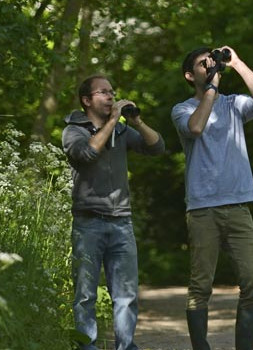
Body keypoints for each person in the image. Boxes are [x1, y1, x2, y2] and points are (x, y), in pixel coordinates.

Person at [171, 46, 253, 350]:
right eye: (204, 65)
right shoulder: (182, 108)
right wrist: (212, 89)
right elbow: (196, 127)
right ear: (190, 76)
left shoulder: (234, 105)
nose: (212, 67)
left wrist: (237, 62)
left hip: (238, 206)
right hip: (202, 208)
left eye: (213, 62)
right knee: (201, 286)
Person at [63, 75, 166, 350]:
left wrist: (136, 122)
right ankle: (88, 346)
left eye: (112, 92)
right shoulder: (73, 129)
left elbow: (157, 147)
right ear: (87, 100)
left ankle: (126, 346)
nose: (111, 97)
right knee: (85, 294)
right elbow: (86, 154)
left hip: (121, 221)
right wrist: (113, 122)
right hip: (88, 222)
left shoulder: (121, 131)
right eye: (103, 93)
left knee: (126, 295)